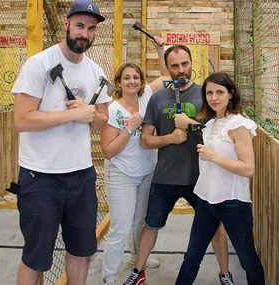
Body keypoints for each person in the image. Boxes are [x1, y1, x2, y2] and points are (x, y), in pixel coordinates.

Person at [11, 1, 111, 284]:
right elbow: (22, 120)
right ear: (66, 24)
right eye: (80, 26)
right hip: (40, 176)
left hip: (81, 175)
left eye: (91, 29)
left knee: (81, 251)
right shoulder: (39, 64)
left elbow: (103, 119)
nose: (86, 34)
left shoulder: (96, 71)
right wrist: (70, 115)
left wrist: (89, 114)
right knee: (36, 257)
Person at [123, 45, 233, 285]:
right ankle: (138, 272)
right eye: (174, 66)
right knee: (150, 226)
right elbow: (145, 140)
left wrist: (190, 123)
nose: (181, 70)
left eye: (184, 64)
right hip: (165, 178)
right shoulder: (158, 98)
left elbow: (218, 134)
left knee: (216, 228)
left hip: (200, 177)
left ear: (191, 62)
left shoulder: (207, 95)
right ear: (168, 68)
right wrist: (170, 138)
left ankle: (225, 274)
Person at [175, 72, 265, 285]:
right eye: (209, 93)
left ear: (231, 94)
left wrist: (214, 156)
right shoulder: (212, 124)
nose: (214, 97)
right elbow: (196, 126)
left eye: (219, 92)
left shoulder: (239, 125)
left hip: (233, 202)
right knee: (191, 258)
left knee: (248, 261)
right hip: (206, 200)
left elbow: (248, 168)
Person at [100, 36, 170, 285]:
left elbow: (166, 77)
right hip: (121, 173)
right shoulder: (112, 110)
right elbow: (108, 151)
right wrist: (129, 129)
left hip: (146, 171)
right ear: (119, 82)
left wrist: (160, 50)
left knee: (140, 221)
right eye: (127, 77)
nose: (132, 81)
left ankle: (135, 258)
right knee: (119, 228)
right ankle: (109, 277)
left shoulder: (146, 97)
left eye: (136, 77)